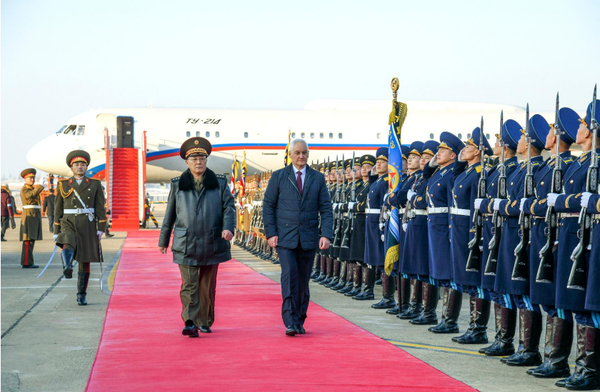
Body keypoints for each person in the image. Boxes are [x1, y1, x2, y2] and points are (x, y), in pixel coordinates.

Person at [159, 137, 235, 338]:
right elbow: (170, 214)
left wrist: (228, 228)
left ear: (207, 160)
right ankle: (190, 321)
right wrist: (163, 239)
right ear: (187, 162)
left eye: (202, 158)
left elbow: (229, 207)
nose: (198, 162)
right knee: (189, 284)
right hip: (186, 242)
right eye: (194, 159)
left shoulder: (219, 183)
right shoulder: (178, 184)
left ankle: (205, 321)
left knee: (206, 285)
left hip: (212, 240)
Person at [521, 107, 577, 379]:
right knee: (547, 299)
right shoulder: (549, 166)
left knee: (560, 300)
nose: (548, 134)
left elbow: (556, 201)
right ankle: (548, 357)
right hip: (543, 233)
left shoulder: (567, 164)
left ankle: (557, 360)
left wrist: (534, 205)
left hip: (559, 235)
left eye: (553, 131)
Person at [262, 138, 333, 336]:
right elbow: (268, 207)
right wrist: (271, 233)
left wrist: (326, 234)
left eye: (304, 153)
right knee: (289, 277)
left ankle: (300, 318)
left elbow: (326, 209)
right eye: (297, 153)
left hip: (309, 238)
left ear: (308, 154)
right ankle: (290, 321)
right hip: (285, 238)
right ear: (290, 155)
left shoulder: (317, 178)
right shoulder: (279, 177)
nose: (301, 156)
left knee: (303, 280)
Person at [423, 132, 465, 334]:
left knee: (449, 274)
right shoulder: (439, 173)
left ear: (454, 155)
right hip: (435, 226)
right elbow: (425, 177)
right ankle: (443, 318)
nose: (438, 153)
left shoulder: (451, 175)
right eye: (438, 150)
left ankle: (450, 320)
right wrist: (431, 164)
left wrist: (451, 231)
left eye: (443, 151)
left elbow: (452, 204)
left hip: (444, 227)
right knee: (440, 273)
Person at [54, 151, 107, 305]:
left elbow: (100, 208)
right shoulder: (63, 185)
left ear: (86, 167)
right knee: (68, 242)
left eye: (83, 164)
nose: (80, 167)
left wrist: (101, 227)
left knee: (85, 261)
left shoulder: (95, 184)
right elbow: (58, 209)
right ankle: (68, 266)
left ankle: (81, 294)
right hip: (68, 221)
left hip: (87, 224)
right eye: (76, 164)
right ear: (71, 167)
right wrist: (56, 230)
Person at [20, 168, 44, 268]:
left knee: (31, 240)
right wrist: (39, 187)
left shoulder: (31, 189)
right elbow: (30, 197)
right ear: (25, 179)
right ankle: (26, 262)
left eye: (33, 178)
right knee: (28, 240)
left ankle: (29, 261)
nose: (32, 180)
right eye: (30, 178)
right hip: (29, 215)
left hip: (33, 215)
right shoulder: (25, 189)